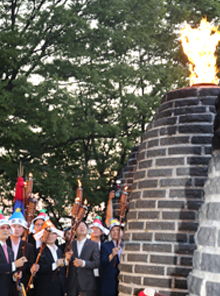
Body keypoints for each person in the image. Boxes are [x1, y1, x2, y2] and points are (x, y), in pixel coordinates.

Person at [65, 221, 100, 296]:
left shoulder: (93, 245)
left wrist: (83, 263)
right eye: (79, 226)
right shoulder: (70, 245)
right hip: (71, 284)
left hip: (87, 284)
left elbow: (96, 263)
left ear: (87, 230)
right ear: (75, 231)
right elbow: (65, 265)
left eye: (84, 226)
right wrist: (67, 259)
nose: (82, 227)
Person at [32, 220, 65, 296]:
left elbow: (62, 273)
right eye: (48, 234)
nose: (50, 236)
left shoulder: (60, 251)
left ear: (56, 235)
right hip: (45, 290)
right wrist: (55, 265)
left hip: (59, 290)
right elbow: (39, 269)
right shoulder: (39, 251)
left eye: (53, 234)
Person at [7, 208, 35, 293]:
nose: (16, 229)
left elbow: (30, 265)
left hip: (20, 286)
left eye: (19, 227)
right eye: (14, 226)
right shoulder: (3, 244)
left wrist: (32, 269)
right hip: (4, 284)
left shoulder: (29, 246)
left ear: (23, 229)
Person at [0, 211, 28, 296]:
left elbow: (8, 272)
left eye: (8, 228)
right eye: (2, 227)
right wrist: (14, 265)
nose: (5, 230)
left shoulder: (9, 250)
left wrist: (14, 276)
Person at [100, 219, 123, 296]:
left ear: (122, 232)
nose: (115, 232)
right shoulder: (105, 246)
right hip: (109, 285)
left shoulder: (126, 246)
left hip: (124, 284)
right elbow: (102, 263)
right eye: (113, 230)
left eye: (118, 230)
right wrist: (111, 255)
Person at [90, 218, 109, 296]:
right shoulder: (84, 245)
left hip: (103, 281)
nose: (95, 230)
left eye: (98, 229)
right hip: (87, 282)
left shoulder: (106, 247)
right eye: (93, 228)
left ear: (102, 232)